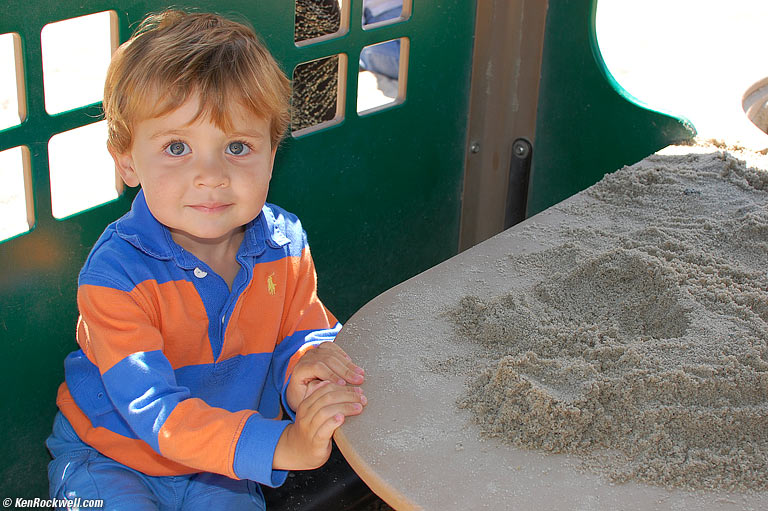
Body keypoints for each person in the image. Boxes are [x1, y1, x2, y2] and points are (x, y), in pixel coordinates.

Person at [45, 9, 367, 510]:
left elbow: (302, 332)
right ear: (126, 159)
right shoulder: (116, 277)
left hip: (222, 465)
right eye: (177, 147)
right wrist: (282, 444)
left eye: (237, 146)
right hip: (108, 459)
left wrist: (307, 368)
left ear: (272, 153)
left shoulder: (284, 246)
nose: (211, 175)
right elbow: (154, 411)